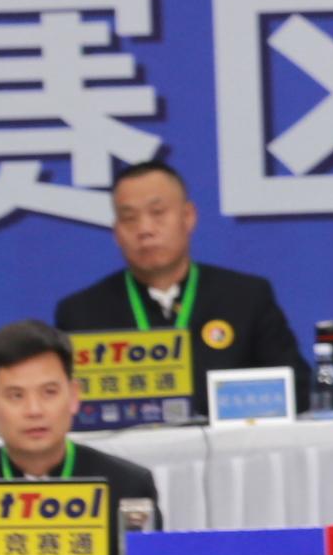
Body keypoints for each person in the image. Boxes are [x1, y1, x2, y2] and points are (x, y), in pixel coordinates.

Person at [53, 159, 306, 394]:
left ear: (188, 217)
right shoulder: (81, 314)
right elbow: (65, 401)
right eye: (129, 218)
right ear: (116, 231)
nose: (145, 229)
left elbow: (297, 387)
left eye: (158, 212)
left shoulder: (246, 298)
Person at [0, 322, 164, 513]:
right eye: (16, 395)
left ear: (73, 396)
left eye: (49, 392)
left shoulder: (128, 487)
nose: (34, 410)